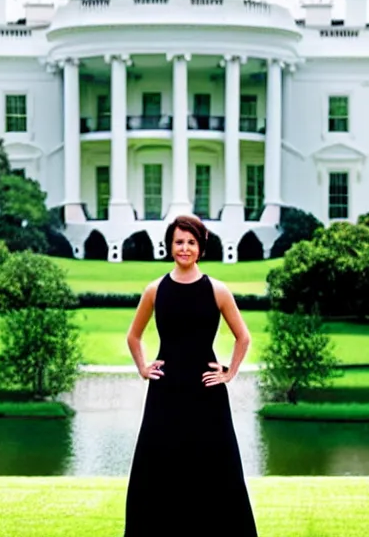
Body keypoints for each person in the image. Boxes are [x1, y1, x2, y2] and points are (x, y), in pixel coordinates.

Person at [124, 215, 258, 536]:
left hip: (206, 392)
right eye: (179, 241)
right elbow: (134, 336)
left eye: (191, 242)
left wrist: (228, 373)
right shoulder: (155, 290)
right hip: (165, 393)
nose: (185, 248)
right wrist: (144, 368)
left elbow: (244, 337)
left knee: (215, 467)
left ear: (200, 247)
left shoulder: (218, 290)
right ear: (169, 246)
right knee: (158, 467)